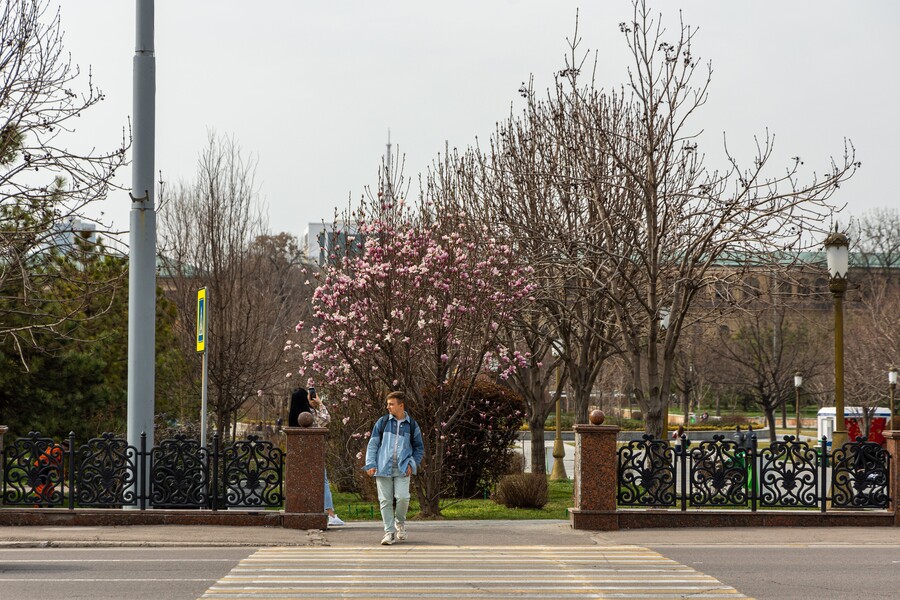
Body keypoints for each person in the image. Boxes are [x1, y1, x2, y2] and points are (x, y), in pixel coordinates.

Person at [364, 391, 424, 545]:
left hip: (403, 468)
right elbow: (373, 445)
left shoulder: (412, 425)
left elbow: (419, 448)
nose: (388, 407)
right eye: (388, 404)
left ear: (401, 405)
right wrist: (371, 464)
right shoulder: (383, 422)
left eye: (391, 404)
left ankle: (400, 522)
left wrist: (412, 464)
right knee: (385, 500)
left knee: (403, 497)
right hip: (383, 467)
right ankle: (389, 532)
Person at [309, 386, 345, 527]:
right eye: (311, 395)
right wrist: (320, 403)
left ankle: (320, 512)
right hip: (314, 451)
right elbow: (326, 419)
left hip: (309, 451)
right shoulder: (310, 412)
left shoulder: (303, 412)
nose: (313, 397)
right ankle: (330, 514)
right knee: (323, 481)